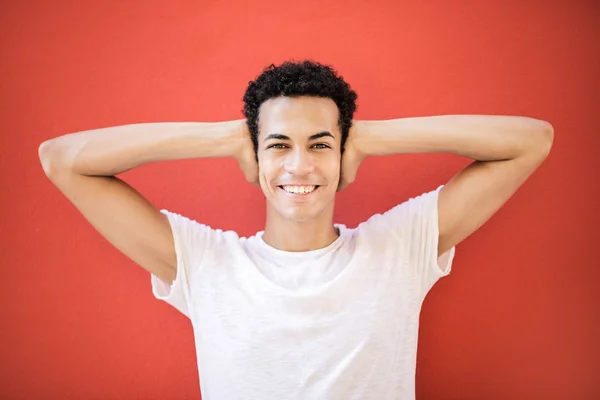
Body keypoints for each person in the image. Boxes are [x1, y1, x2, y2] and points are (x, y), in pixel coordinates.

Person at [38, 60, 554, 399]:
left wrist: (369, 137)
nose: (299, 166)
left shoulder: (399, 246)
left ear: (344, 154)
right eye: (279, 145)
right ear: (255, 155)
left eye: (321, 145)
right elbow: (61, 160)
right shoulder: (203, 262)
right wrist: (225, 137)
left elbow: (532, 140)